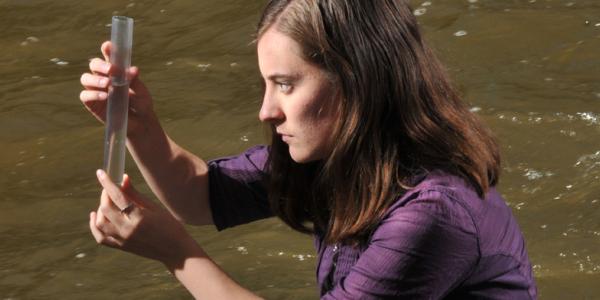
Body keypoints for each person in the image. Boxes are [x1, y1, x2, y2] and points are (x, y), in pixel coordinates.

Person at [79, 0, 537, 299]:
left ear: (355, 81)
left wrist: (178, 254)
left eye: (285, 84)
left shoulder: (433, 212)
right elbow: (200, 197)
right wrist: (140, 126)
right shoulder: (335, 157)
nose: (266, 111)